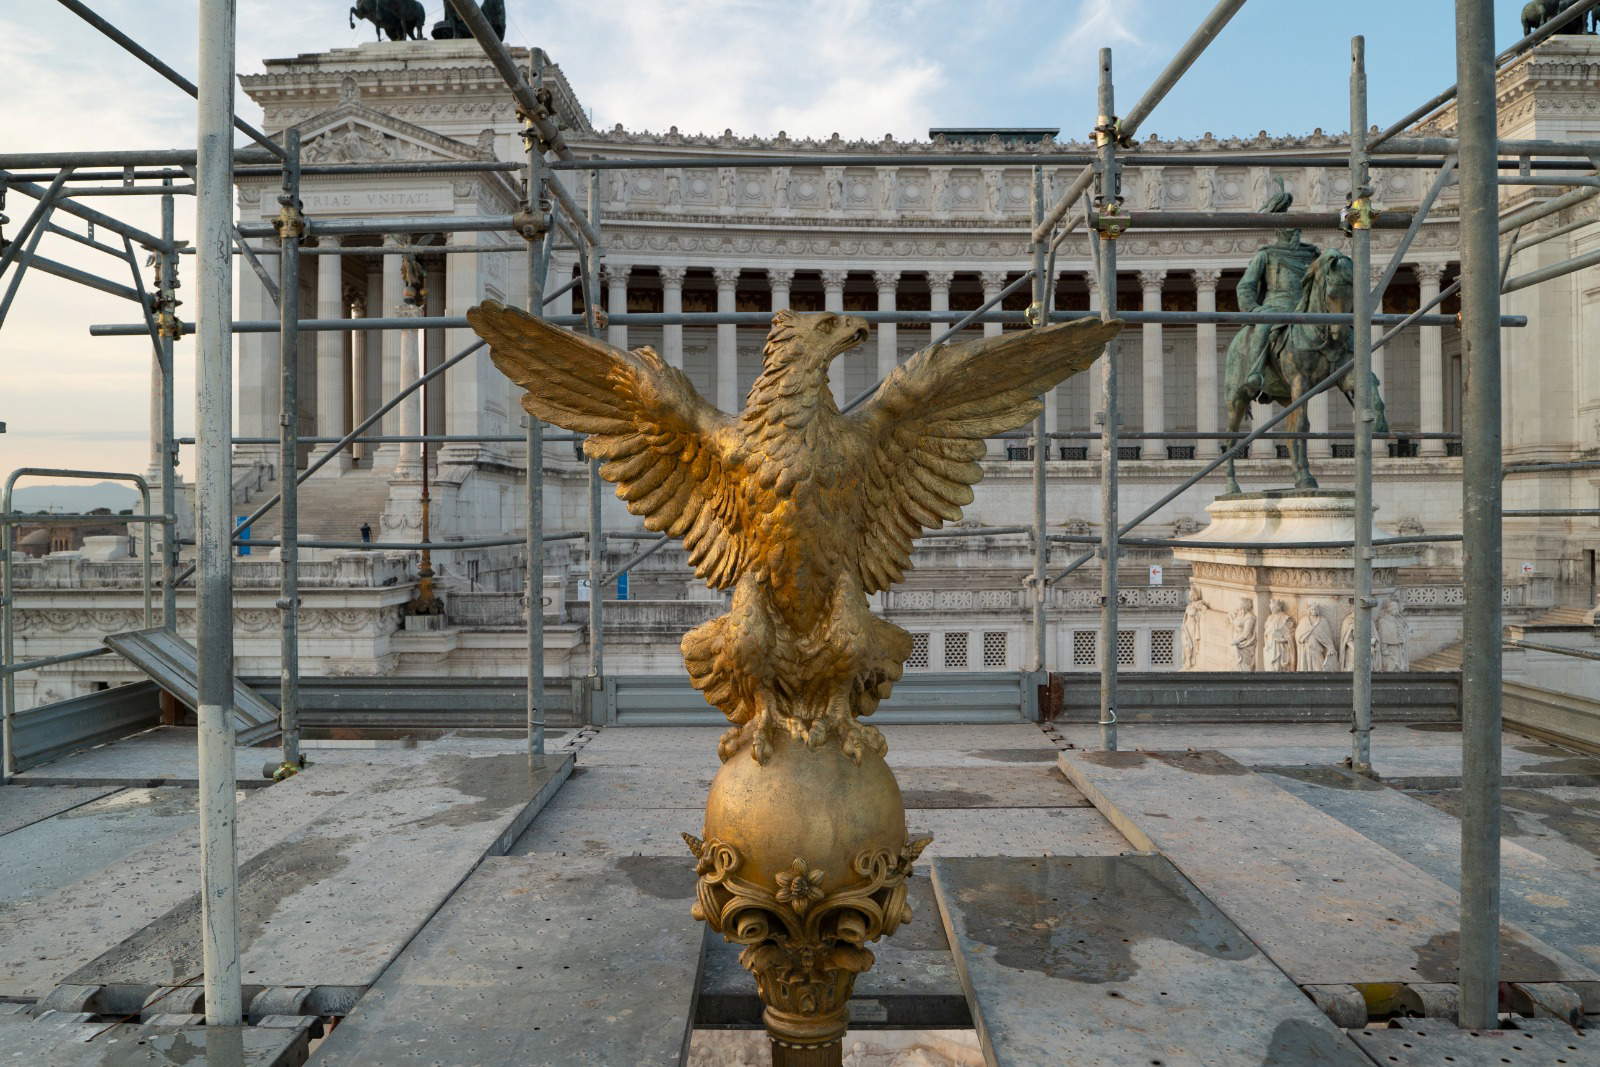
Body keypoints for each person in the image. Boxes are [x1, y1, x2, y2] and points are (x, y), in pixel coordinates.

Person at [1235, 184, 1320, 398]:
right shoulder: (1267, 255)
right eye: (1291, 231)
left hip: (1306, 307)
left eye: (1297, 231)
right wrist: (1253, 309)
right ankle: (1255, 374)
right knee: (1263, 328)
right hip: (1276, 306)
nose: (1295, 235)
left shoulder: (1311, 255)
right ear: (1280, 231)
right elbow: (1246, 286)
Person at [1263, 600, 1295, 672]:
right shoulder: (1270, 618)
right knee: (1270, 668)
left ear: (1278, 607)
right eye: (1271, 608)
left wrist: (1281, 639)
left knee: (1277, 667)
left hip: (1279, 648)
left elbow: (1290, 635)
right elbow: (1266, 632)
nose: (1272, 609)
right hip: (1269, 646)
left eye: (1273, 608)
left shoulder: (1285, 618)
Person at [1229, 598, 1257, 671]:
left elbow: (1245, 634)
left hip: (1245, 644)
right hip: (1237, 642)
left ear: (1244, 605)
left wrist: (1235, 641)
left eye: (1240, 605)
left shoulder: (1250, 617)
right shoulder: (1240, 614)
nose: (1239, 607)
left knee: (1243, 665)